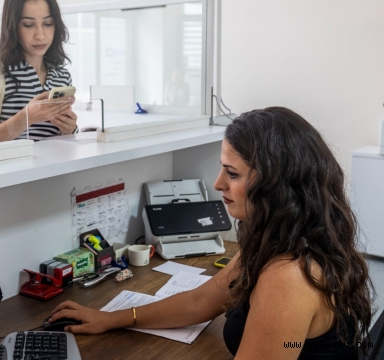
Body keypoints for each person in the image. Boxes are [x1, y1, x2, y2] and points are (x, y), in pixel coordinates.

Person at [49, 107, 373, 360]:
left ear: (276, 184)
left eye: (232, 173)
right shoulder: (280, 237)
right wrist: (114, 318)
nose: (217, 184)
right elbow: (199, 302)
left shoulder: (288, 274)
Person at [0, 0, 77, 146]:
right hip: (11, 169)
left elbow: (63, 142)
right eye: (28, 25)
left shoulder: (62, 76)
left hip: (55, 168)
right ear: (12, 27)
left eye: (48, 23)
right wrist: (26, 118)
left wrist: (71, 129)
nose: (40, 35)